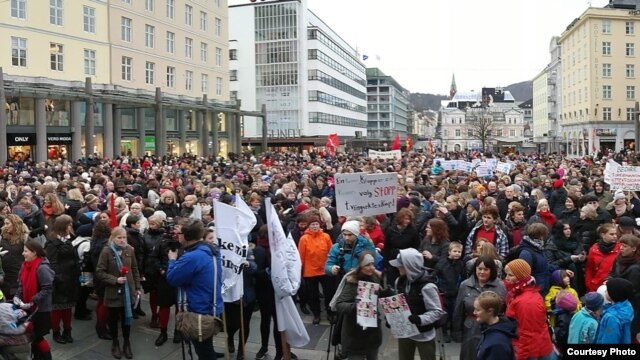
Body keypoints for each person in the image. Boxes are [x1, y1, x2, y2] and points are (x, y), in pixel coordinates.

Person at [166, 219, 224, 359]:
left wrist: (172, 260)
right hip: (211, 305)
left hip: (199, 310)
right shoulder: (210, 250)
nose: (177, 235)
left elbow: (173, 278)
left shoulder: (193, 257)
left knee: (204, 352)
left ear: (185, 236)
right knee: (206, 346)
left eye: (179, 233)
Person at [389, 248, 446, 360]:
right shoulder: (400, 281)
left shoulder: (427, 286)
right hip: (405, 332)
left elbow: (437, 311)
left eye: (401, 264)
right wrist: (392, 319)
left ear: (409, 265)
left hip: (423, 334)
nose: (397, 267)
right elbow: (398, 303)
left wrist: (420, 319)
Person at [95, 226, 142, 359]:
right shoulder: (106, 251)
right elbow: (99, 271)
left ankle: (126, 342)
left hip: (129, 291)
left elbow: (135, 269)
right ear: (113, 238)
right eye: (119, 238)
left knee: (127, 318)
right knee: (113, 318)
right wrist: (115, 280)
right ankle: (115, 342)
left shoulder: (130, 249)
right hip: (113, 291)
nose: (122, 240)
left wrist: (137, 287)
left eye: (124, 237)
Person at [331, 252, 384, 360]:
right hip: (354, 334)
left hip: (372, 333)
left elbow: (380, 298)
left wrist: (386, 294)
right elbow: (340, 304)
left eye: (372, 264)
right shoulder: (352, 281)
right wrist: (355, 306)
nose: (371, 268)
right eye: (367, 265)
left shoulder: (375, 279)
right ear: (360, 266)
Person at [452, 256, 507, 360]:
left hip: (492, 328)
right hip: (470, 328)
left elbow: (504, 309)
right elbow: (458, 309)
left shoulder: (500, 286)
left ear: (492, 270)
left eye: (486, 269)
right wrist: (456, 331)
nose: (482, 272)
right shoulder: (465, 285)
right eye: (479, 269)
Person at [504, 259, 554, 360]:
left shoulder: (526, 301)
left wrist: (521, 357)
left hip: (531, 353)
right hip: (533, 349)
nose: (506, 278)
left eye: (510, 275)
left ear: (520, 277)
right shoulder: (520, 294)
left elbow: (528, 334)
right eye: (506, 274)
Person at [14, 239, 54, 360]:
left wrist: (32, 301)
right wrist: (17, 296)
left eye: (25, 251)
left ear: (34, 252)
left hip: (40, 310)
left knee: (37, 336)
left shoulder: (42, 268)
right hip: (28, 307)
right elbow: (21, 284)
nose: (23, 253)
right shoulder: (25, 265)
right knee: (33, 336)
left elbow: (47, 288)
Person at [43, 214, 78, 345]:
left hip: (70, 279)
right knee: (57, 309)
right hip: (58, 281)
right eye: (69, 224)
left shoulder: (69, 240)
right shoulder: (52, 243)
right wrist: (59, 278)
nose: (71, 227)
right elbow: (52, 263)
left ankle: (67, 331)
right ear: (64, 226)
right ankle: (56, 332)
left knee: (68, 308)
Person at [298, 215, 335, 325]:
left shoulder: (326, 236)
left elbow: (331, 252)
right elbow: (301, 256)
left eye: (316, 224)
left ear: (320, 225)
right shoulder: (304, 239)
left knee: (329, 293)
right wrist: (300, 270)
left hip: (325, 270)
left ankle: (330, 313)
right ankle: (316, 314)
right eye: (312, 224)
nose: (315, 226)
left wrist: (332, 265)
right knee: (313, 295)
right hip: (310, 272)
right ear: (309, 226)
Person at [606, 234, 640, 340]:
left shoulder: (636, 268)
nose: (621, 248)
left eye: (625, 246)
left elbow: (632, 289)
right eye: (621, 245)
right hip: (616, 300)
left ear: (634, 248)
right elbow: (612, 273)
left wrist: (613, 285)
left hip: (631, 305)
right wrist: (608, 280)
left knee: (628, 333)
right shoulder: (619, 259)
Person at [434, 242, 464, 343]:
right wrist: (439, 289)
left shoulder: (461, 264)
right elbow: (435, 276)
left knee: (454, 313)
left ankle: (454, 332)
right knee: (444, 314)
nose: (457, 253)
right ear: (449, 252)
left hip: (456, 292)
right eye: (455, 251)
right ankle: (444, 332)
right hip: (444, 292)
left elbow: (463, 277)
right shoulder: (442, 263)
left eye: (459, 252)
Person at [383, 208, 420, 287]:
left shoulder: (413, 232)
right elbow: (386, 247)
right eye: (405, 219)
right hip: (392, 260)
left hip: (405, 261)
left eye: (409, 219)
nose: (407, 221)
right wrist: (385, 262)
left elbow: (416, 247)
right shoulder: (391, 230)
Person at [474, 291, 516, 360]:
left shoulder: (497, 343)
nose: (474, 312)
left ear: (490, 311)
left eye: (477, 310)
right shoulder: (488, 330)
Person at [595, 278, 634, 344]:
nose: (605, 292)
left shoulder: (611, 318)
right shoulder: (627, 305)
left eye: (607, 290)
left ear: (614, 294)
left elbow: (609, 338)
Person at [0, 214, 29, 299]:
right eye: (4, 223)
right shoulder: (1, 237)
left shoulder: (25, 238)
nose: (5, 226)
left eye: (7, 223)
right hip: (4, 276)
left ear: (15, 223)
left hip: (18, 275)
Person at [585, 224, 620, 292]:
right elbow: (589, 269)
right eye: (611, 234)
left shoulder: (620, 248)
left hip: (613, 285)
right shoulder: (594, 249)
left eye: (616, 234)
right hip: (596, 286)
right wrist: (589, 285)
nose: (615, 236)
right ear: (603, 235)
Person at [551, 290, 579, 356]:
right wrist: (553, 301)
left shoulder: (563, 317)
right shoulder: (568, 312)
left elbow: (561, 334)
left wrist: (555, 336)